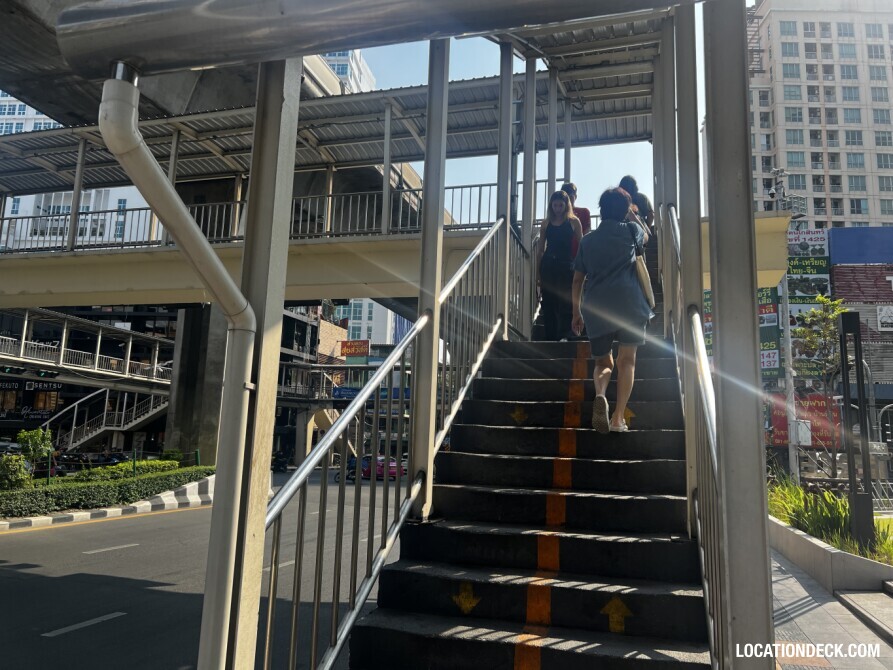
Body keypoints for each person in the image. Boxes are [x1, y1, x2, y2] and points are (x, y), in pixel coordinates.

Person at [571, 188, 652, 433]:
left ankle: (601, 394)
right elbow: (647, 237)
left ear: (601, 209)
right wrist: (633, 215)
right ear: (625, 210)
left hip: (597, 308)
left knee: (603, 362)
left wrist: (577, 312)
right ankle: (618, 418)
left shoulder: (588, 240)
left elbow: (577, 280)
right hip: (631, 305)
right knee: (626, 361)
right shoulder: (632, 230)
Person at [536, 190, 583, 342]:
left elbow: (582, 245)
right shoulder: (546, 223)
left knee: (565, 301)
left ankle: (565, 334)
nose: (557, 208)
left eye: (560, 205)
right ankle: (550, 337)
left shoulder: (574, 221)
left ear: (566, 205)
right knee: (549, 301)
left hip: (566, 265)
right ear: (551, 206)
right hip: (548, 264)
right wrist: (538, 273)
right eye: (555, 205)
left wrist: (581, 267)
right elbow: (540, 249)